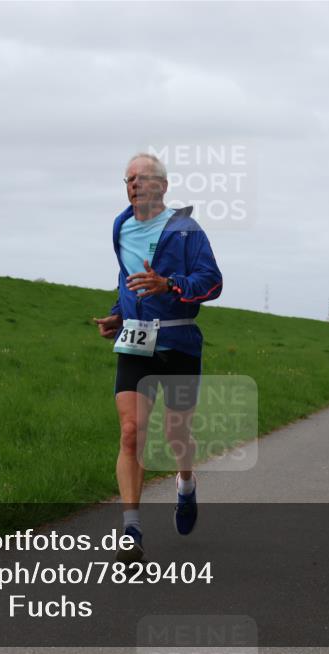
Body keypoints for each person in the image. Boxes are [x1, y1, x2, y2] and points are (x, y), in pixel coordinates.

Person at [93, 153, 223, 563]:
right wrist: (120, 311)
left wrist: (169, 285)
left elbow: (212, 283)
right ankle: (131, 530)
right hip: (135, 344)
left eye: (142, 179)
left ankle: (186, 484)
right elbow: (126, 278)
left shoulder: (186, 230)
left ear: (162, 186)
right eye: (128, 179)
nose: (133, 185)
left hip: (179, 343)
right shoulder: (121, 226)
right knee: (132, 431)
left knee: (176, 434)